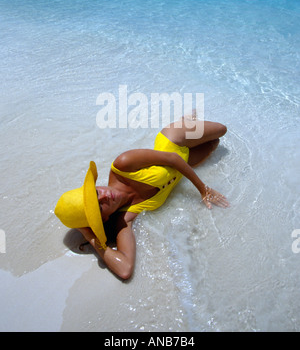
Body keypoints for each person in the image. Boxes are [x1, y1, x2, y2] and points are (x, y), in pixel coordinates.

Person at [55, 116, 229, 280]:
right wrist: (92, 237)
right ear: (104, 218)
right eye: (99, 207)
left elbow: (173, 158)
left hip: (174, 142)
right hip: (185, 165)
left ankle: (183, 121)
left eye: (96, 193)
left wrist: (203, 190)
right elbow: (125, 269)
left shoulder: (122, 164)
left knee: (222, 129)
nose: (105, 196)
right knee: (214, 143)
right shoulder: (125, 217)